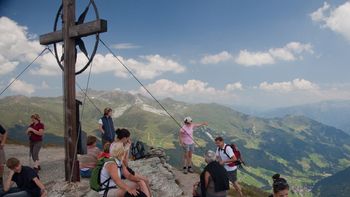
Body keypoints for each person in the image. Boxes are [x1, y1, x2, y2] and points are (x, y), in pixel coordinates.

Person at [113, 128, 151, 196]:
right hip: (122, 171)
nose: (128, 140)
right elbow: (125, 163)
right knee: (144, 181)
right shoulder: (119, 146)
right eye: (128, 138)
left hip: (121, 170)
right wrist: (127, 148)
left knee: (143, 181)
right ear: (124, 138)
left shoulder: (114, 144)